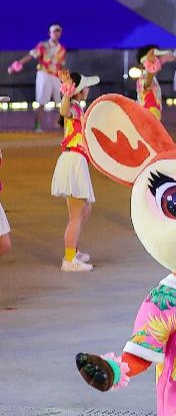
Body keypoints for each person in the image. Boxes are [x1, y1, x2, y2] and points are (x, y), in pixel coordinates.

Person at [51, 70, 99, 271]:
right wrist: (66, 93)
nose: (88, 89)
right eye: (85, 86)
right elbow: (64, 111)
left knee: (85, 209)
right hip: (74, 161)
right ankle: (69, 259)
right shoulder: (72, 107)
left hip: (77, 160)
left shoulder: (79, 108)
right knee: (76, 216)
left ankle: (74, 250)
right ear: (78, 91)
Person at [8, 23, 68, 131]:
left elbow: (62, 65)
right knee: (41, 101)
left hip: (56, 77)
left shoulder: (62, 49)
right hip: (44, 75)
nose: (56, 34)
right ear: (50, 33)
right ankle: (37, 126)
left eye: (58, 32)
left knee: (61, 102)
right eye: (54, 31)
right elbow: (31, 56)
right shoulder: (43, 46)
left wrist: (65, 79)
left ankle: (62, 125)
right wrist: (17, 65)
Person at [134, 45, 166, 121]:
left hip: (153, 118)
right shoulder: (143, 77)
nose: (156, 61)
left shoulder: (153, 78)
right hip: (147, 118)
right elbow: (147, 84)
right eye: (154, 58)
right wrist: (150, 67)